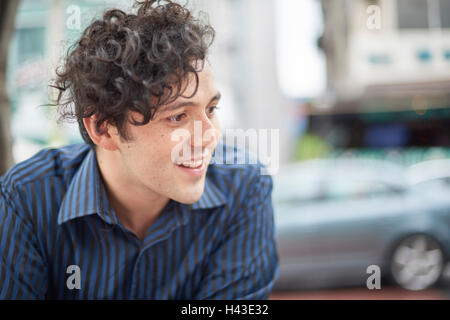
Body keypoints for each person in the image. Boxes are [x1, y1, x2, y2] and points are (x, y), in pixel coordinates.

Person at [0, 0, 278, 299]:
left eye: (211, 109)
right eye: (177, 116)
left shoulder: (244, 187)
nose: (209, 136)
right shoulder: (27, 198)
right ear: (103, 128)